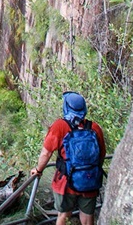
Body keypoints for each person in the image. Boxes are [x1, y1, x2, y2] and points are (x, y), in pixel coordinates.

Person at [30, 91, 106, 225]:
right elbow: (102, 154)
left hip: (66, 181)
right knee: (88, 218)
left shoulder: (60, 126)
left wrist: (38, 170)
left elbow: (46, 153)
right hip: (90, 180)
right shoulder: (94, 127)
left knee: (63, 215)